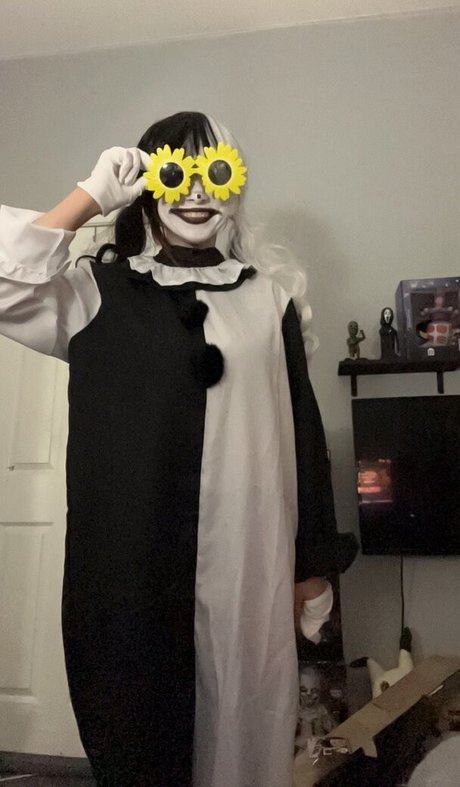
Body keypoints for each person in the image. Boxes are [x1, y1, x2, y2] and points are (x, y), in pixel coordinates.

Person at [0, 111, 357, 787]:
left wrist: (311, 565)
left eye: (213, 171)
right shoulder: (96, 291)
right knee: (138, 732)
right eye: (175, 172)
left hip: (245, 564)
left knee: (244, 726)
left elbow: (303, 436)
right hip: (129, 570)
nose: (195, 191)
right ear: (148, 188)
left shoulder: (269, 300)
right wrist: (90, 197)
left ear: (234, 186)